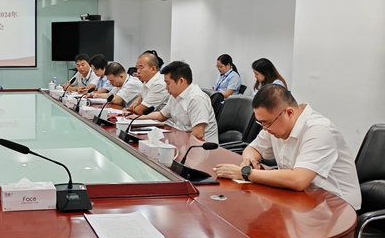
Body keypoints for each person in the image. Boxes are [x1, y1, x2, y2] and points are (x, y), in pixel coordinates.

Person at [213, 84, 360, 208]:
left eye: (266, 123)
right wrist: (249, 161)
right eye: (261, 123)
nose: (265, 129)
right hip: (301, 201)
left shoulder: (319, 130)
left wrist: (245, 173)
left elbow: (298, 180)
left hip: (336, 209)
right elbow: (252, 149)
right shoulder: (275, 124)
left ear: (289, 112)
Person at [142, 61, 219, 142]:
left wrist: (177, 145)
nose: (166, 88)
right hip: (182, 139)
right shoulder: (175, 95)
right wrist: (138, 118)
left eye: (168, 83)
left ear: (181, 81)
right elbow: (161, 115)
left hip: (201, 146)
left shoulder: (197, 98)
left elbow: (198, 133)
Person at [125, 51, 168, 115]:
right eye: (137, 68)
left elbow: (140, 111)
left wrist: (136, 106)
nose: (138, 71)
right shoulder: (147, 81)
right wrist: (138, 100)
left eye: (141, 68)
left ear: (153, 69)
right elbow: (134, 106)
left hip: (161, 121)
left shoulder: (159, 84)